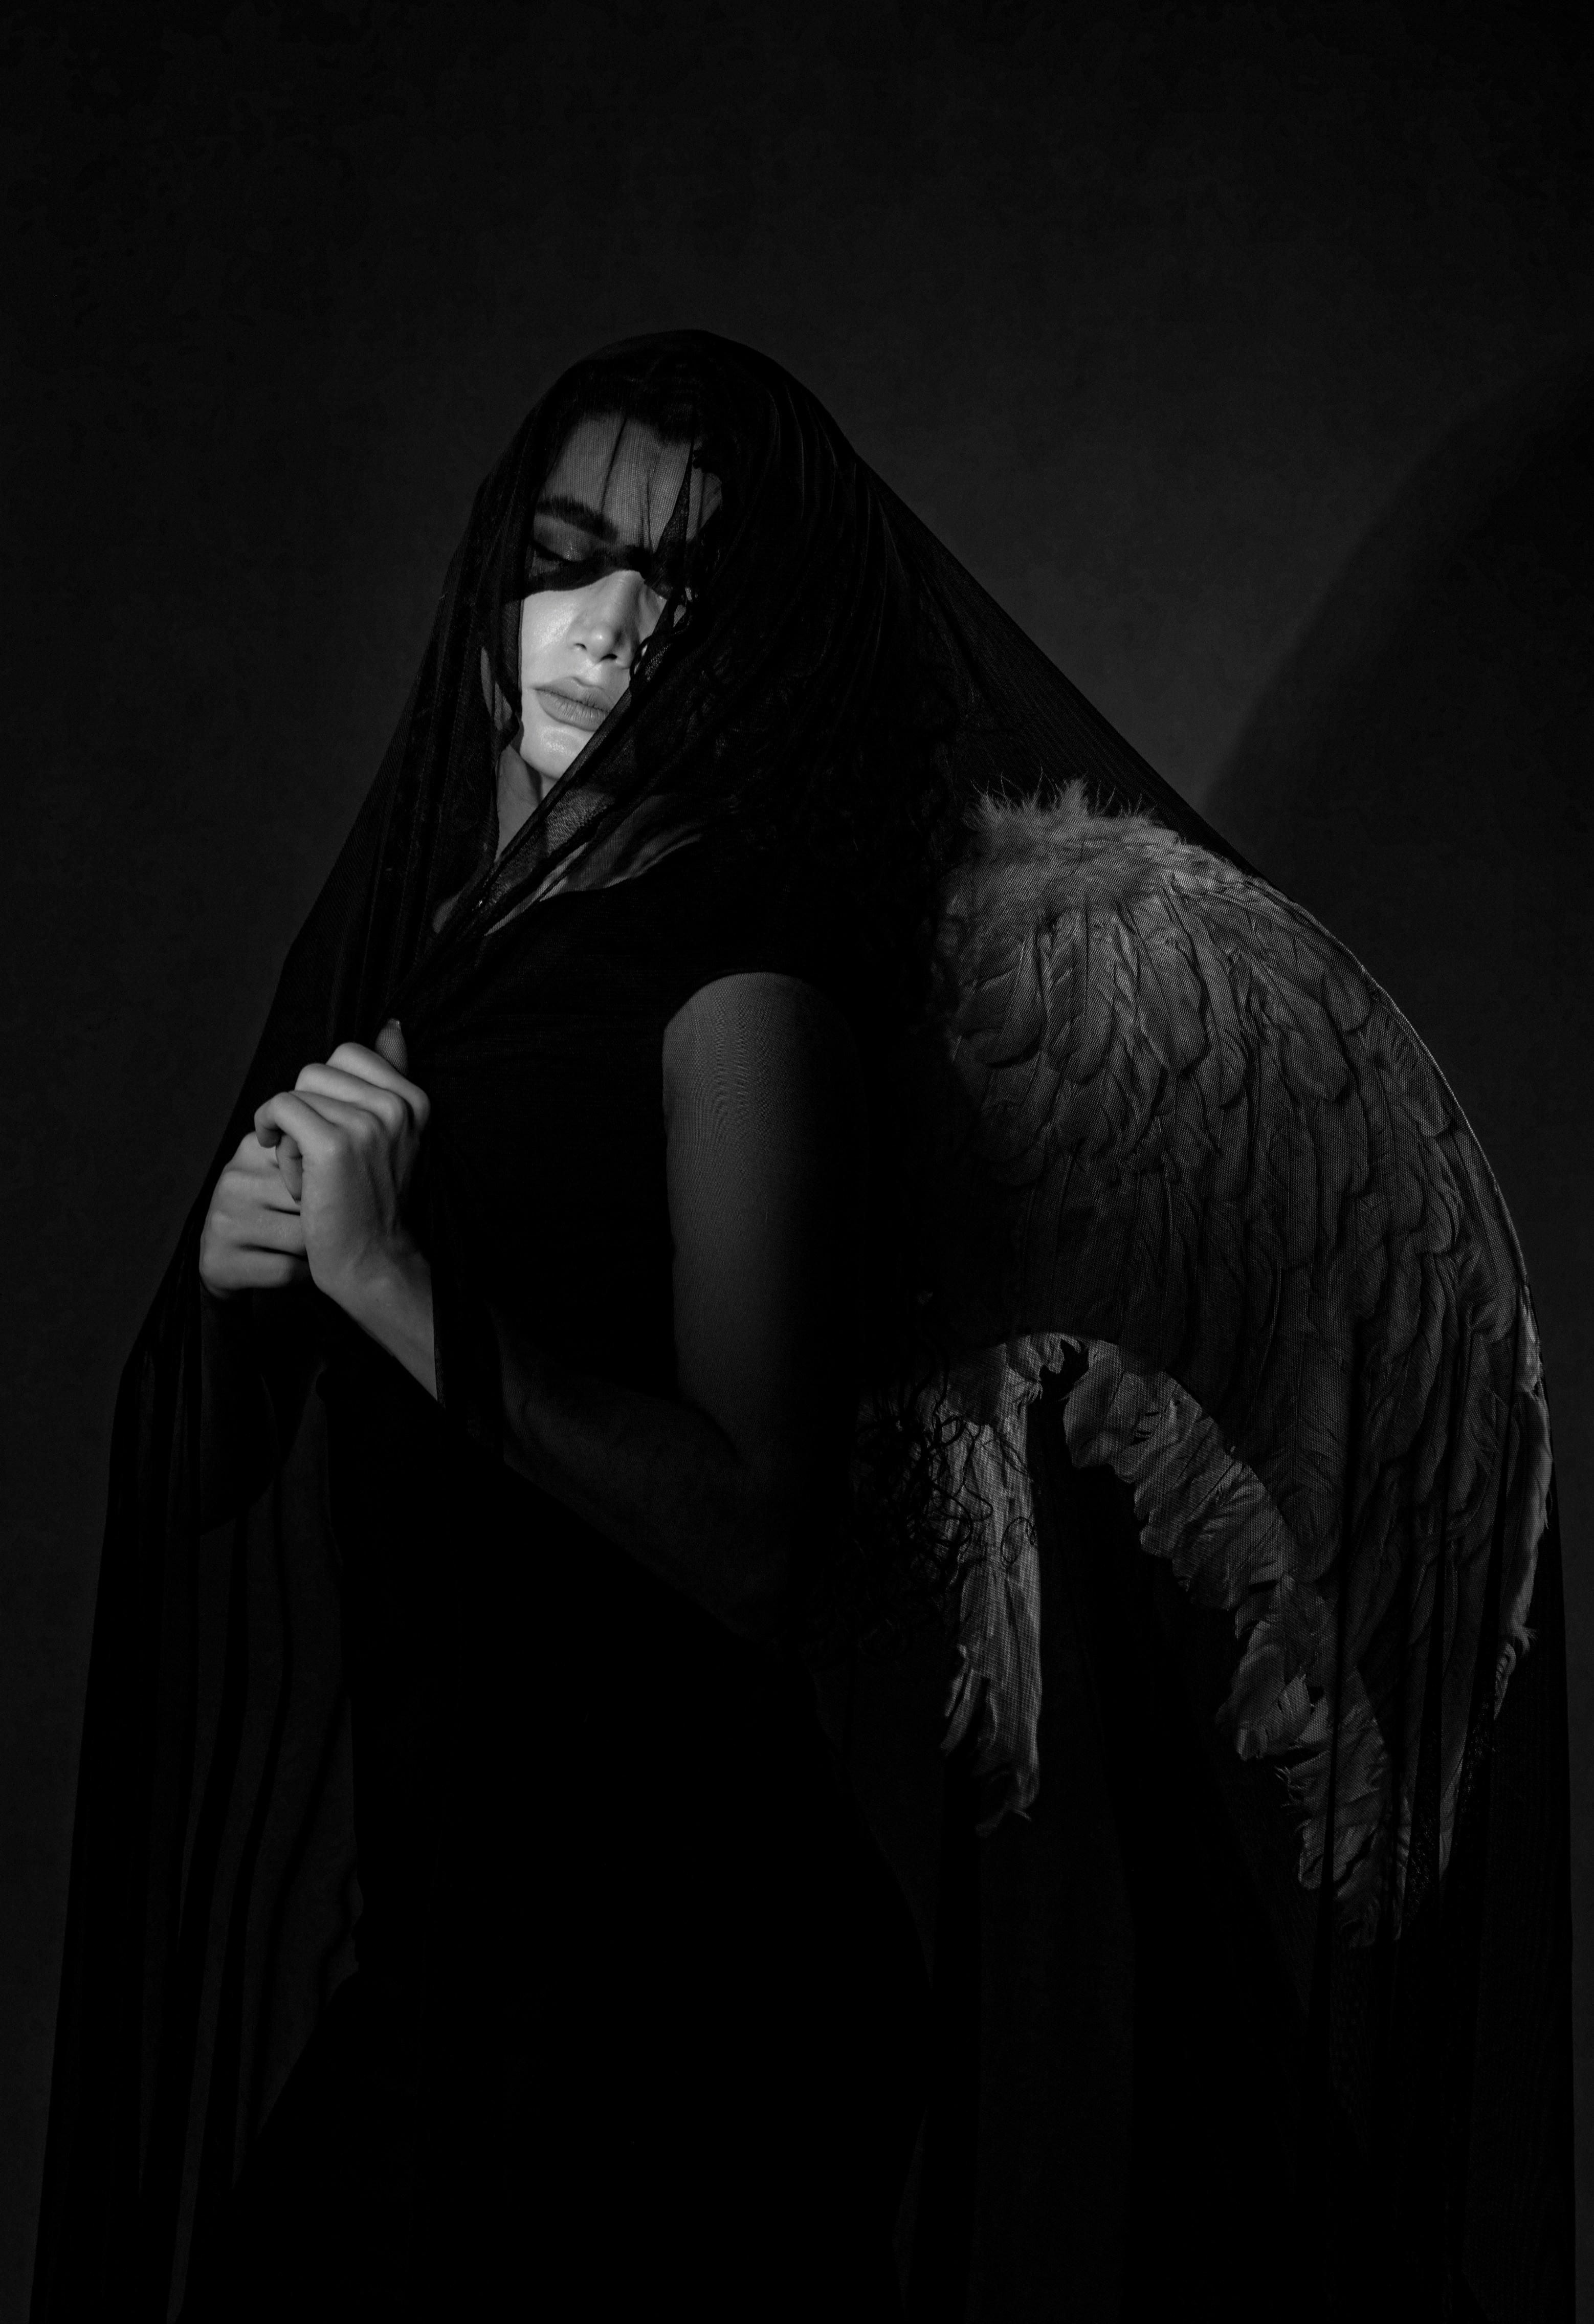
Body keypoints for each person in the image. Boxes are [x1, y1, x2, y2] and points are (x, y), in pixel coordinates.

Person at [32, 334, 1574, 2323]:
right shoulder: (444, 974)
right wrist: (252, 1286)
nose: (604, 624)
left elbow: (751, 1537)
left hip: (671, 1994)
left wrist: (393, 1283)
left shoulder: (738, 993)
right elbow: (228, 1490)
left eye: (678, 582)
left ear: (755, 637)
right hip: (466, 1964)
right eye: (563, 557)